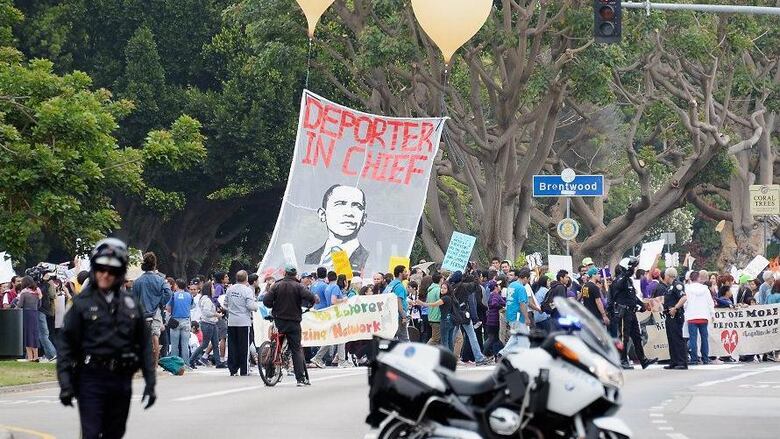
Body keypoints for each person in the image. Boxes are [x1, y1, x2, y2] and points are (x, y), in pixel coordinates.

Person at [57, 238, 156, 438]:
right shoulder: (81, 304)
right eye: (101, 269)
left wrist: (150, 381)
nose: (105, 274)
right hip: (91, 376)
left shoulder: (130, 304)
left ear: (120, 273)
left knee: (115, 433)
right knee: (91, 433)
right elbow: (66, 346)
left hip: (121, 377)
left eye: (111, 270)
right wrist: (65, 382)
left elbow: (144, 344)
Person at [263, 264, 319, 386]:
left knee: (276, 346)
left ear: (285, 274)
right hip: (294, 322)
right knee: (296, 349)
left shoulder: (276, 285)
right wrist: (312, 303)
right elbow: (311, 298)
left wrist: (274, 306)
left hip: (279, 320)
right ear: (295, 275)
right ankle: (300, 378)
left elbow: (266, 301)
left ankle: (269, 374)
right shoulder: (299, 286)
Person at [305, 185, 369, 271]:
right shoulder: (310, 259)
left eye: (357, 206)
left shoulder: (370, 260)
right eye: (340, 204)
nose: (349, 213)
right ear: (322, 214)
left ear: (363, 218)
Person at [609, 257, 657, 370]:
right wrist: (627, 272)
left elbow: (633, 296)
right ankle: (622, 360)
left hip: (631, 312)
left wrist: (642, 305)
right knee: (623, 338)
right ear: (626, 268)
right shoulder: (619, 280)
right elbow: (618, 286)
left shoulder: (629, 281)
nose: (634, 270)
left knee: (637, 336)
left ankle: (643, 360)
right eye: (632, 267)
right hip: (622, 312)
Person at [132, 252, 172, 367]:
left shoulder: (137, 281)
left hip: (141, 312)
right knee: (155, 336)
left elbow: (133, 298)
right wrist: (161, 302)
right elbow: (168, 293)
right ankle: (155, 363)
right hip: (155, 312)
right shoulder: (160, 279)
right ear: (154, 264)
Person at [225, 270, 258, 376]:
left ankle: (233, 369)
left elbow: (225, 304)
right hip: (244, 321)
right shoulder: (247, 290)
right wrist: (256, 307)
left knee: (232, 346)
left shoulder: (230, 289)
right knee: (244, 347)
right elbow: (250, 306)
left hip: (232, 321)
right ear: (246, 278)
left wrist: (231, 310)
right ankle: (244, 369)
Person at [189, 282, 225, 368]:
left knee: (215, 344)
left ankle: (218, 362)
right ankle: (191, 360)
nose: (214, 290)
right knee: (204, 344)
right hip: (207, 323)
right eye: (212, 288)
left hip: (212, 323)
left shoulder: (208, 298)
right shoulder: (206, 299)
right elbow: (207, 312)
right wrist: (217, 314)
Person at [684, 270, 715, 365]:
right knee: (704, 338)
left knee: (693, 338)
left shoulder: (687, 289)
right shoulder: (705, 289)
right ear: (698, 278)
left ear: (690, 278)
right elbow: (710, 302)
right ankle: (705, 358)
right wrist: (712, 314)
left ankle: (694, 358)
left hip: (692, 315)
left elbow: (685, 302)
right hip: (703, 315)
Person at [659, 268, 687, 370]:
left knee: (677, 338)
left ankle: (682, 362)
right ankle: (674, 361)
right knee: (671, 339)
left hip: (676, 315)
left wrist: (675, 307)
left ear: (668, 276)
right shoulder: (669, 287)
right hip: (669, 315)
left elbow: (683, 297)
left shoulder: (677, 285)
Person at [166, 279, 194, 360]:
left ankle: (175, 364)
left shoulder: (174, 295)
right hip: (186, 321)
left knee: (174, 345)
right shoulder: (189, 295)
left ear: (177, 286)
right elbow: (192, 306)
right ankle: (186, 364)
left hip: (175, 321)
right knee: (185, 345)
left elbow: (168, 308)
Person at [16, 276, 41, 361]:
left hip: (26, 314)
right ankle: (36, 356)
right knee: (34, 334)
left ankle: (30, 357)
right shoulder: (37, 292)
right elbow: (39, 305)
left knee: (27, 335)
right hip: (35, 313)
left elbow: (19, 305)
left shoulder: (24, 293)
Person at [387, 265, 410, 342]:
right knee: (404, 338)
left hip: (391, 315)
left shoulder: (391, 284)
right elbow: (398, 303)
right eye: (405, 272)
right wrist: (404, 316)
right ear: (400, 273)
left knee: (392, 337)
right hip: (399, 316)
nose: (407, 274)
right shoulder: (399, 286)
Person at [482, 280, 505, 358]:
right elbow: (494, 303)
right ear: (495, 287)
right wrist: (501, 307)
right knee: (492, 339)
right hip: (493, 321)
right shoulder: (495, 295)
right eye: (498, 285)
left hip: (491, 320)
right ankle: (483, 354)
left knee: (495, 339)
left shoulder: (493, 294)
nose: (499, 287)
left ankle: (496, 355)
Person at [425, 273, 443, 346]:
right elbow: (441, 302)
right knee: (435, 339)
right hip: (437, 317)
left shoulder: (430, 289)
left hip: (431, 315)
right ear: (441, 279)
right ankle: (422, 351)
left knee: (437, 339)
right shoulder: (438, 290)